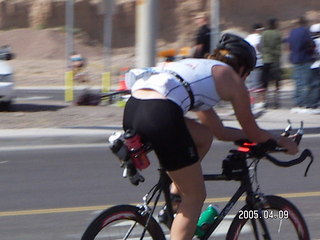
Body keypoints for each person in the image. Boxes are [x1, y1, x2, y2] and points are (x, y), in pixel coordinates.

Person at [123, 33, 298, 240]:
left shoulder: (198, 70)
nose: (245, 79)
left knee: (203, 136)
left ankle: (174, 196)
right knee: (195, 196)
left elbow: (218, 131)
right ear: (242, 68)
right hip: (161, 112)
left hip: (134, 108)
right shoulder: (231, 78)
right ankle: (184, 200)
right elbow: (254, 131)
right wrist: (281, 141)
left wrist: (246, 137)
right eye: (248, 74)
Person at [287, 17, 320, 114]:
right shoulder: (306, 31)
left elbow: (289, 46)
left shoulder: (292, 32)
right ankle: (309, 105)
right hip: (306, 59)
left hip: (295, 59)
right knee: (310, 83)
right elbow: (310, 44)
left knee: (299, 83)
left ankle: (298, 104)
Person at [260, 18, 282, 109]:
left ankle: (264, 101)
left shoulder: (264, 34)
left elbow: (261, 45)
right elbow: (279, 47)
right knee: (276, 82)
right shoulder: (277, 33)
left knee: (265, 82)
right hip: (275, 60)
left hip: (266, 59)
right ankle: (275, 102)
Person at [245, 23, 266, 109]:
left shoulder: (247, 38)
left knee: (249, 84)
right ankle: (259, 102)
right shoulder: (259, 37)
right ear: (258, 30)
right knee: (257, 83)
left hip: (248, 63)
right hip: (258, 62)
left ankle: (250, 101)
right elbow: (259, 47)